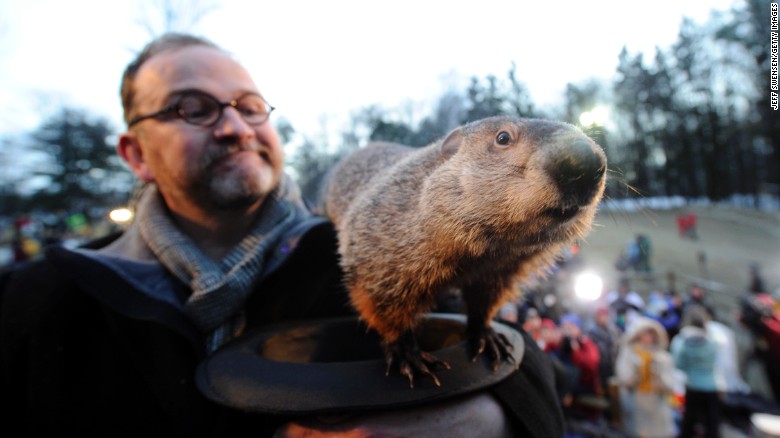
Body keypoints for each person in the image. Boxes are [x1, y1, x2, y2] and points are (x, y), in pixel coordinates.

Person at [0, 33, 563, 437]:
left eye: (249, 107)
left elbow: (520, 360)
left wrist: (492, 417)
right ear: (136, 154)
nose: (234, 127)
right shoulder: (38, 299)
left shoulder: (353, 248)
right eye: (192, 109)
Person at [614, 317, 679, 438]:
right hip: (637, 402)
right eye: (646, 333)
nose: (649, 337)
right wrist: (637, 372)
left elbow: (670, 385)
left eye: (652, 334)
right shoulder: (629, 354)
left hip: (657, 405)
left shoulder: (662, 357)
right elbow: (624, 378)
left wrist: (659, 375)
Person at [670, 308, 722, 438]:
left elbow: (679, 364)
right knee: (711, 422)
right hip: (710, 386)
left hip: (692, 385)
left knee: (689, 419)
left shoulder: (684, 342)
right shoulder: (712, 341)